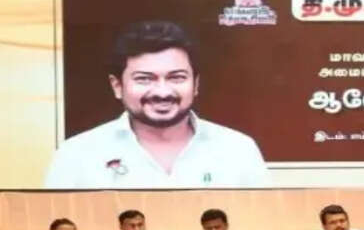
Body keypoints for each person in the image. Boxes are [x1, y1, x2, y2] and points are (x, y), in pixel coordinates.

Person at [46, 20, 269, 189]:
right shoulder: (76, 155)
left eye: (176, 77)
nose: (162, 92)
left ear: (196, 84)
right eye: (144, 79)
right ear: (117, 86)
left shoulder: (238, 150)